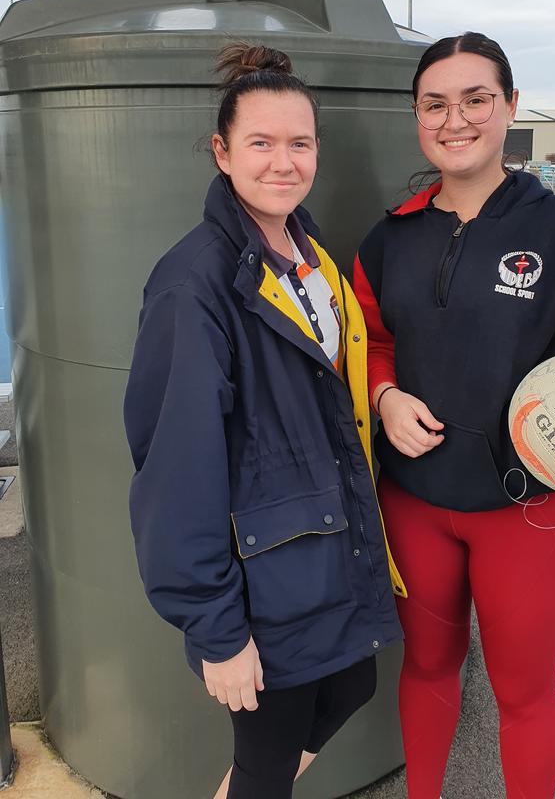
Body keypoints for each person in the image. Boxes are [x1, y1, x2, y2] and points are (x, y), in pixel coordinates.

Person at [353, 32, 555, 799]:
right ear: (417, 118)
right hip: (413, 502)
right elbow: (371, 343)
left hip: (527, 515)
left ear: (510, 107)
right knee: (425, 667)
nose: (457, 119)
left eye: (476, 99)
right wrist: (384, 395)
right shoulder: (389, 240)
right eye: (436, 104)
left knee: (523, 695)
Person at [124, 43, 403, 799]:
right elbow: (175, 469)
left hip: (320, 548)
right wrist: (216, 629)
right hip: (262, 574)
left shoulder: (308, 255)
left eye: (300, 143)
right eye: (261, 143)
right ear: (222, 151)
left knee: (350, 688)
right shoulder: (196, 286)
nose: (284, 162)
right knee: (267, 763)